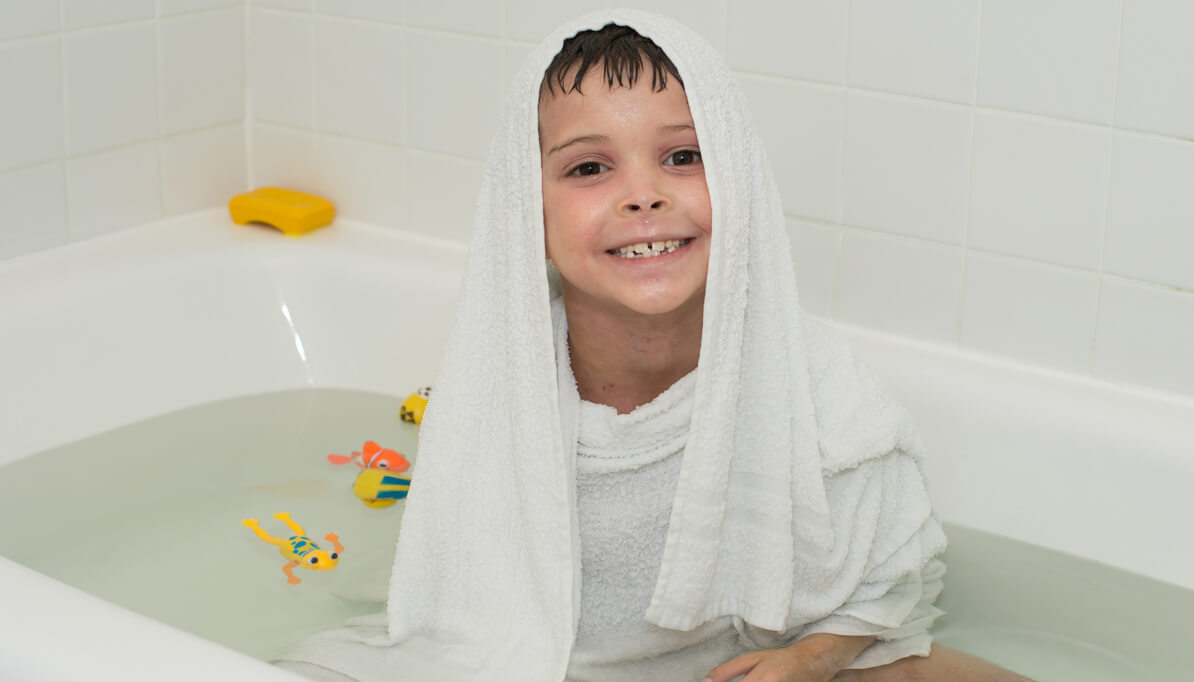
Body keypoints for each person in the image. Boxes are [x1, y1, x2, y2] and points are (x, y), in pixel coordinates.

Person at [277, 11, 1033, 682]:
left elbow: (893, 584)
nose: (643, 195)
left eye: (682, 157)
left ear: (742, 181)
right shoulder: (498, 385)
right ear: (526, 209)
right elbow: (465, 604)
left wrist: (807, 661)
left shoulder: (822, 395)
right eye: (589, 167)